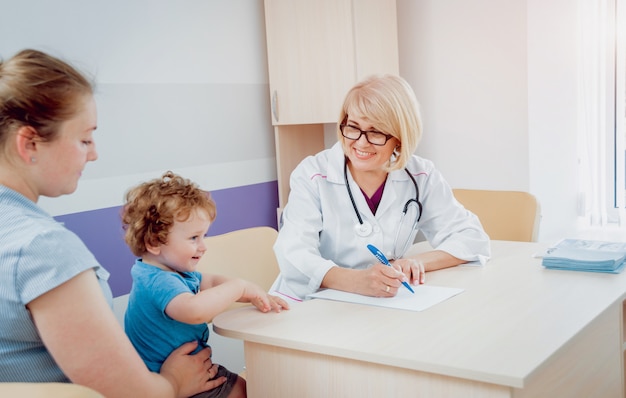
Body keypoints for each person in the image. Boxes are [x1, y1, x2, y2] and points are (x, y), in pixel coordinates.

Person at [0, 49, 225, 397]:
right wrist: (174, 383)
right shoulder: (42, 248)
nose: (94, 153)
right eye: (85, 139)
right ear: (29, 143)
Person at [271, 74, 491, 300]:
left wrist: (414, 262)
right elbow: (293, 254)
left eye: (376, 132)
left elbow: (471, 237)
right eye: (353, 127)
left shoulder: (420, 175)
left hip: (378, 304)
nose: (361, 142)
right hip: (310, 303)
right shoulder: (313, 174)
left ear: (400, 137)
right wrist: (357, 281)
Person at [121, 171, 289, 398]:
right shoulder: (157, 281)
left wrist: (251, 291)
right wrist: (238, 287)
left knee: (248, 389)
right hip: (174, 385)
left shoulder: (170, 272)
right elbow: (194, 311)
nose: (203, 246)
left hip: (186, 373)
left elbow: (209, 281)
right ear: (153, 242)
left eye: (204, 236)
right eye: (193, 238)